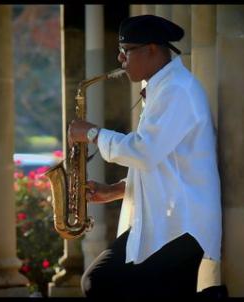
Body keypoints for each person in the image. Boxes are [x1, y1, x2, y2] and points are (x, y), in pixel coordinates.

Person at [67, 14, 222, 298]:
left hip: (181, 225)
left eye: (126, 51)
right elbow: (162, 164)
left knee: (99, 282)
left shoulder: (176, 90)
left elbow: (144, 152)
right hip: (168, 222)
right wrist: (114, 191)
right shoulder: (163, 87)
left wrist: (93, 134)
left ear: (152, 49)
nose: (120, 58)